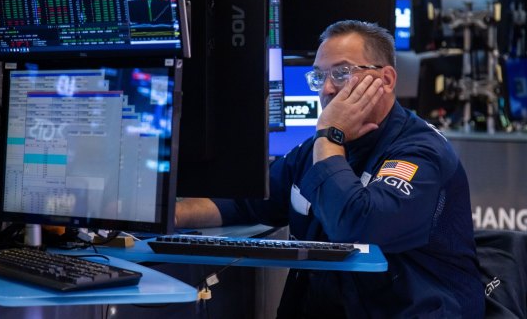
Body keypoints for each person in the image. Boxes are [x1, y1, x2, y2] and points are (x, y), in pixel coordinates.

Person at [176, 20, 484, 318]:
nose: (326, 89)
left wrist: (329, 134)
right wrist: (171, 214)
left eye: (342, 73)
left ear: (387, 79)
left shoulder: (419, 153)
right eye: (319, 77)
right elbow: (248, 199)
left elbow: (360, 228)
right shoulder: (318, 147)